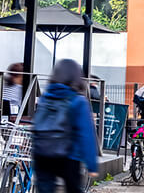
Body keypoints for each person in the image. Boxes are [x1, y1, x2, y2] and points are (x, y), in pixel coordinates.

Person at [33, 59, 98, 193]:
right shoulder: (78, 101)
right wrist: (91, 165)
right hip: (68, 156)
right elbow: (86, 135)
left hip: (42, 154)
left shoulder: (45, 97)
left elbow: (37, 124)